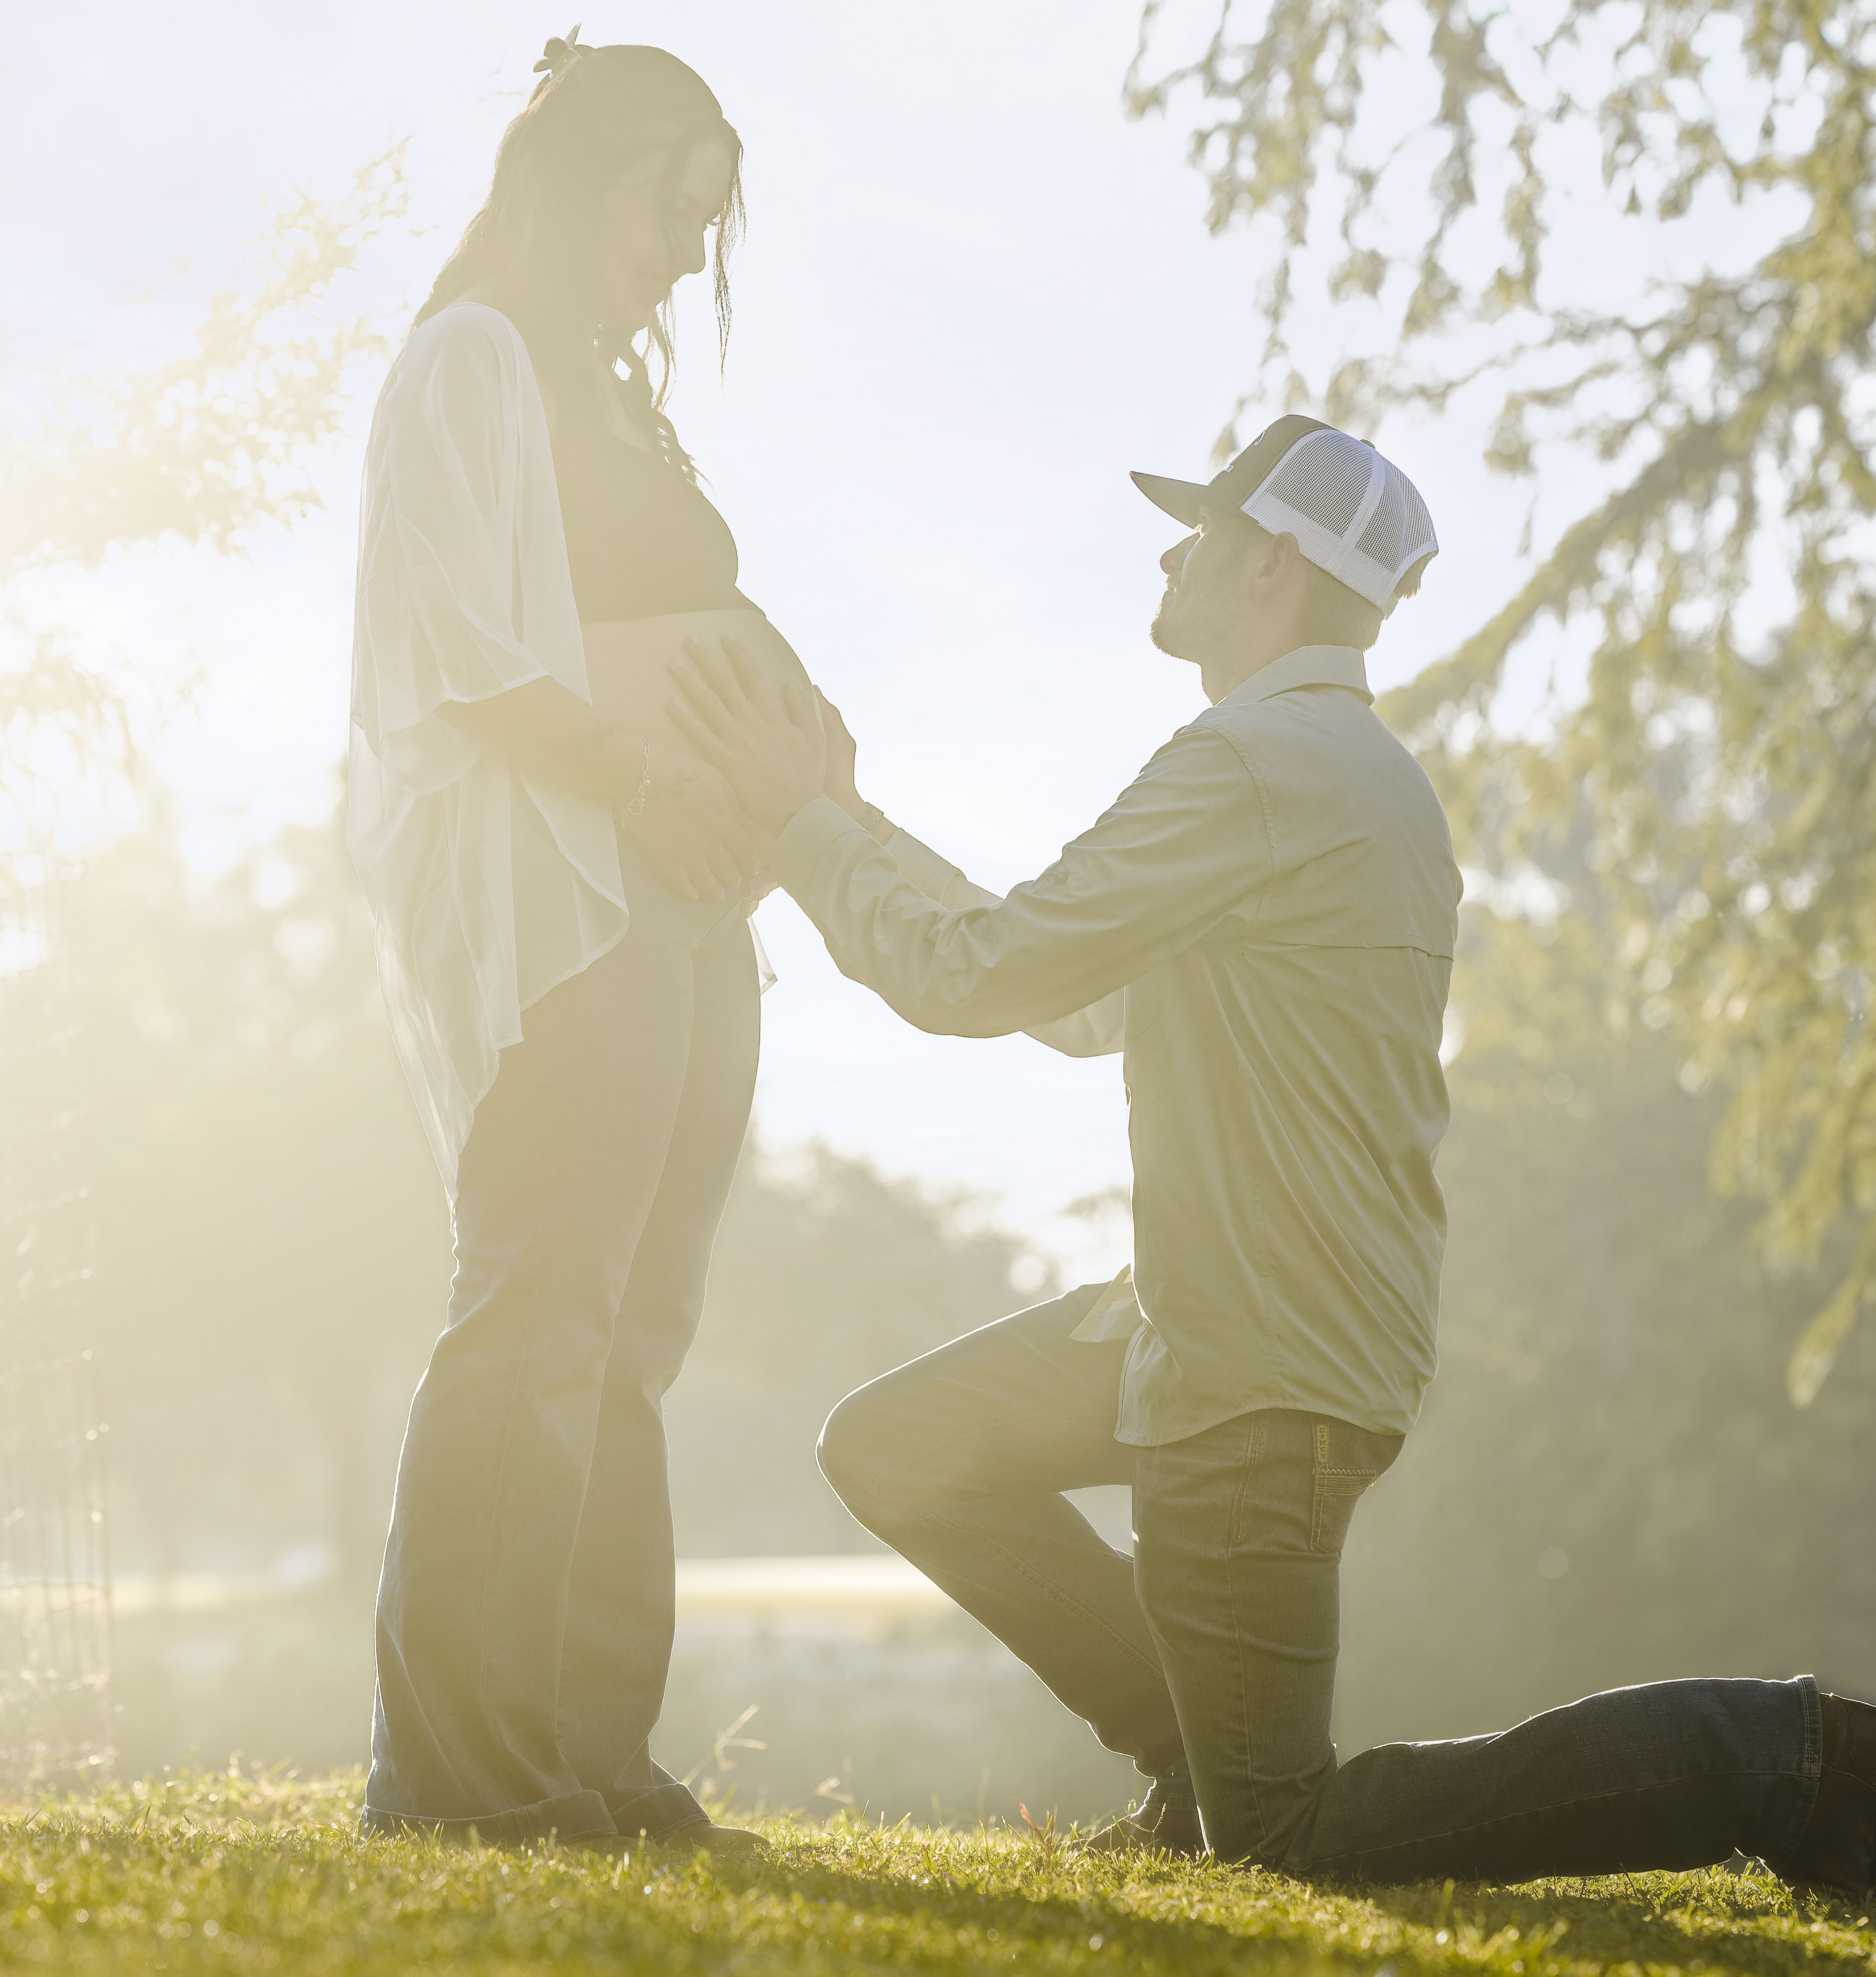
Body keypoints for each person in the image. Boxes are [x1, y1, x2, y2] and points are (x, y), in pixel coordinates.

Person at [668, 414, 1876, 1895]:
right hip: (1224, 1328)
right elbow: (1078, 1000)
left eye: (1203, 529)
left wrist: (798, 827)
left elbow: (971, 977)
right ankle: (1190, 1762)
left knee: (1287, 1836)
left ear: (1273, 567)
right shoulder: (1348, 773)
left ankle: (1783, 1759)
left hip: (1256, 1378)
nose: (1173, 553)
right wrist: (847, 821)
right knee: (897, 1444)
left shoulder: (1252, 765)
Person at [346, 34, 775, 1853]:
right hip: (571, 887)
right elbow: (458, 639)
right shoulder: (473, 364)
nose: (687, 251)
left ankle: (597, 1745)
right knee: (535, 1305)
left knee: (634, 1328)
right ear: (570, 178)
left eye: (706, 218)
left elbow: (689, 610)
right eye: (668, 204)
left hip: (688, 892)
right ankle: (456, 1766)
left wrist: (788, 748)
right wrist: (643, 781)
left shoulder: (614, 398)